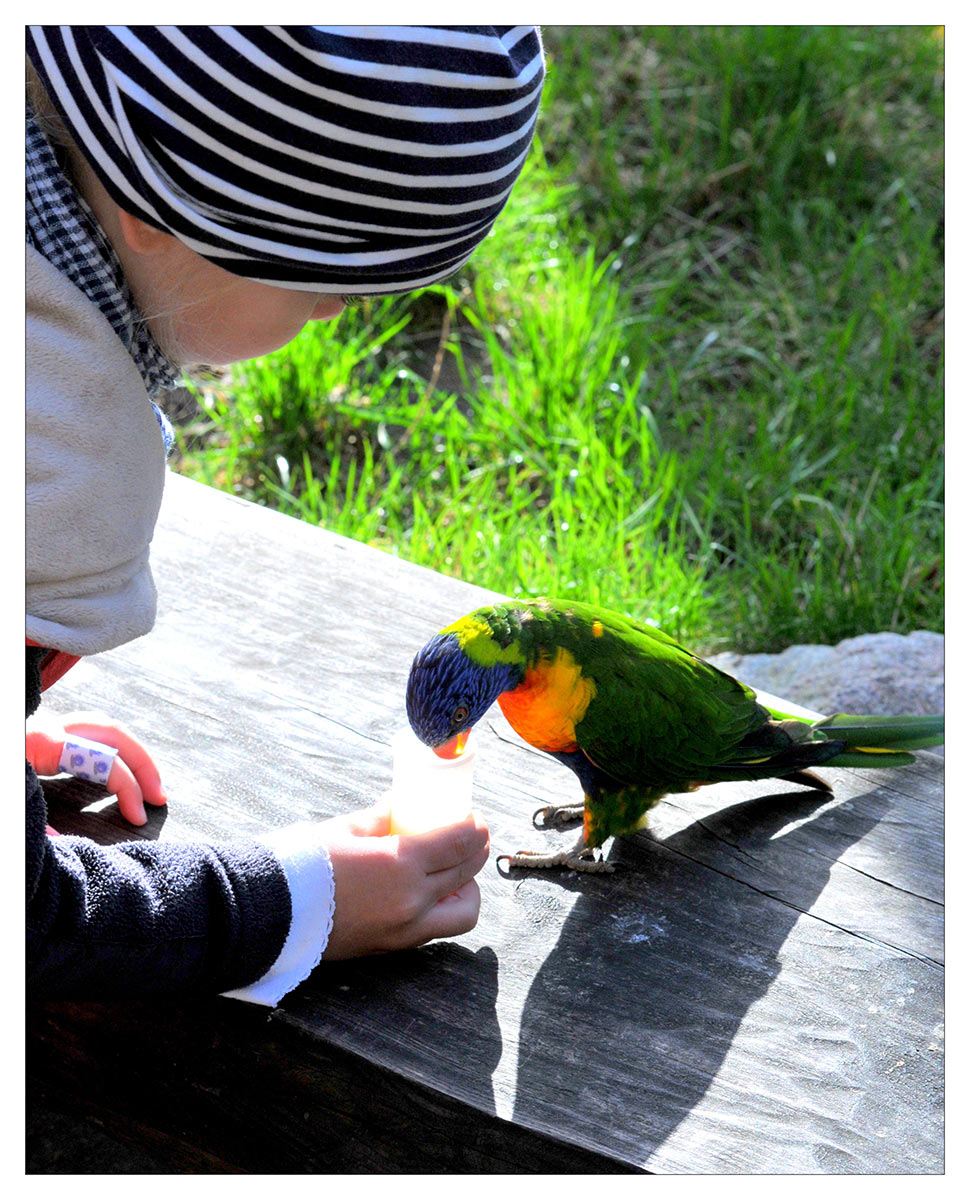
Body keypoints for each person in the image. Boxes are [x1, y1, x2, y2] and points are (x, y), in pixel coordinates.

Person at [26, 25, 545, 1003]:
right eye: (327, 295)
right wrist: (298, 899)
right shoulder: (48, 455)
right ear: (160, 212)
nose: (346, 317)